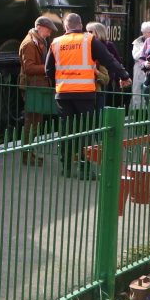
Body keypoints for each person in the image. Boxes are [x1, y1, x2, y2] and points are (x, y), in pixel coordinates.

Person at [45, 13, 131, 177]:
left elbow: (48, 70)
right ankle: (84, 169)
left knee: (66, 131)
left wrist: (62, 80)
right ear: (81, 25)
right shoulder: (89, 40)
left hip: (63, 94)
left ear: (66, 26)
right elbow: (109, 59)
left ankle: (66, 167)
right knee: (86, 131)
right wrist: (124, 75)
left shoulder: (56, 42)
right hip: (85, 94)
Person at [18, 16, 57, 162]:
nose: (49, 33)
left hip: (37, 86)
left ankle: (29, 152)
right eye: (48, 30)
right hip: (32, 86)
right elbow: (29, 68)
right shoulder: (29, 44)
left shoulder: (38, 41)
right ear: (39, 27)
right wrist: (49, 68)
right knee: (32, 121)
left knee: (35, 121)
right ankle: (26, 154)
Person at [131, 21, 150, 109]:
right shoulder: (137, 42)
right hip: (139, 69)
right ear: (143, 33)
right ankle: (137, 112)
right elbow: (136, 56)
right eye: (149, 32)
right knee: (138, 92)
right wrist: (146, 45)